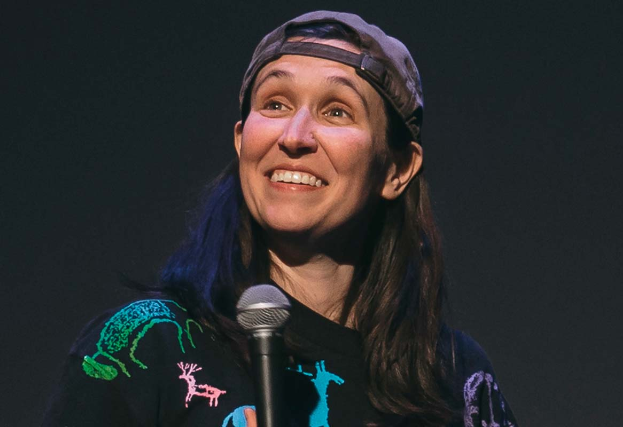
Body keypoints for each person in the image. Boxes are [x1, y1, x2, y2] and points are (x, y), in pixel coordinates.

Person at [43, 11, 518, 427]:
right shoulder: (146, 345)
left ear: (397, 170)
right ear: (241, 140)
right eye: (275, 104)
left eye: (337, 111)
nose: (294, 135)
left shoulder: (452, 375)